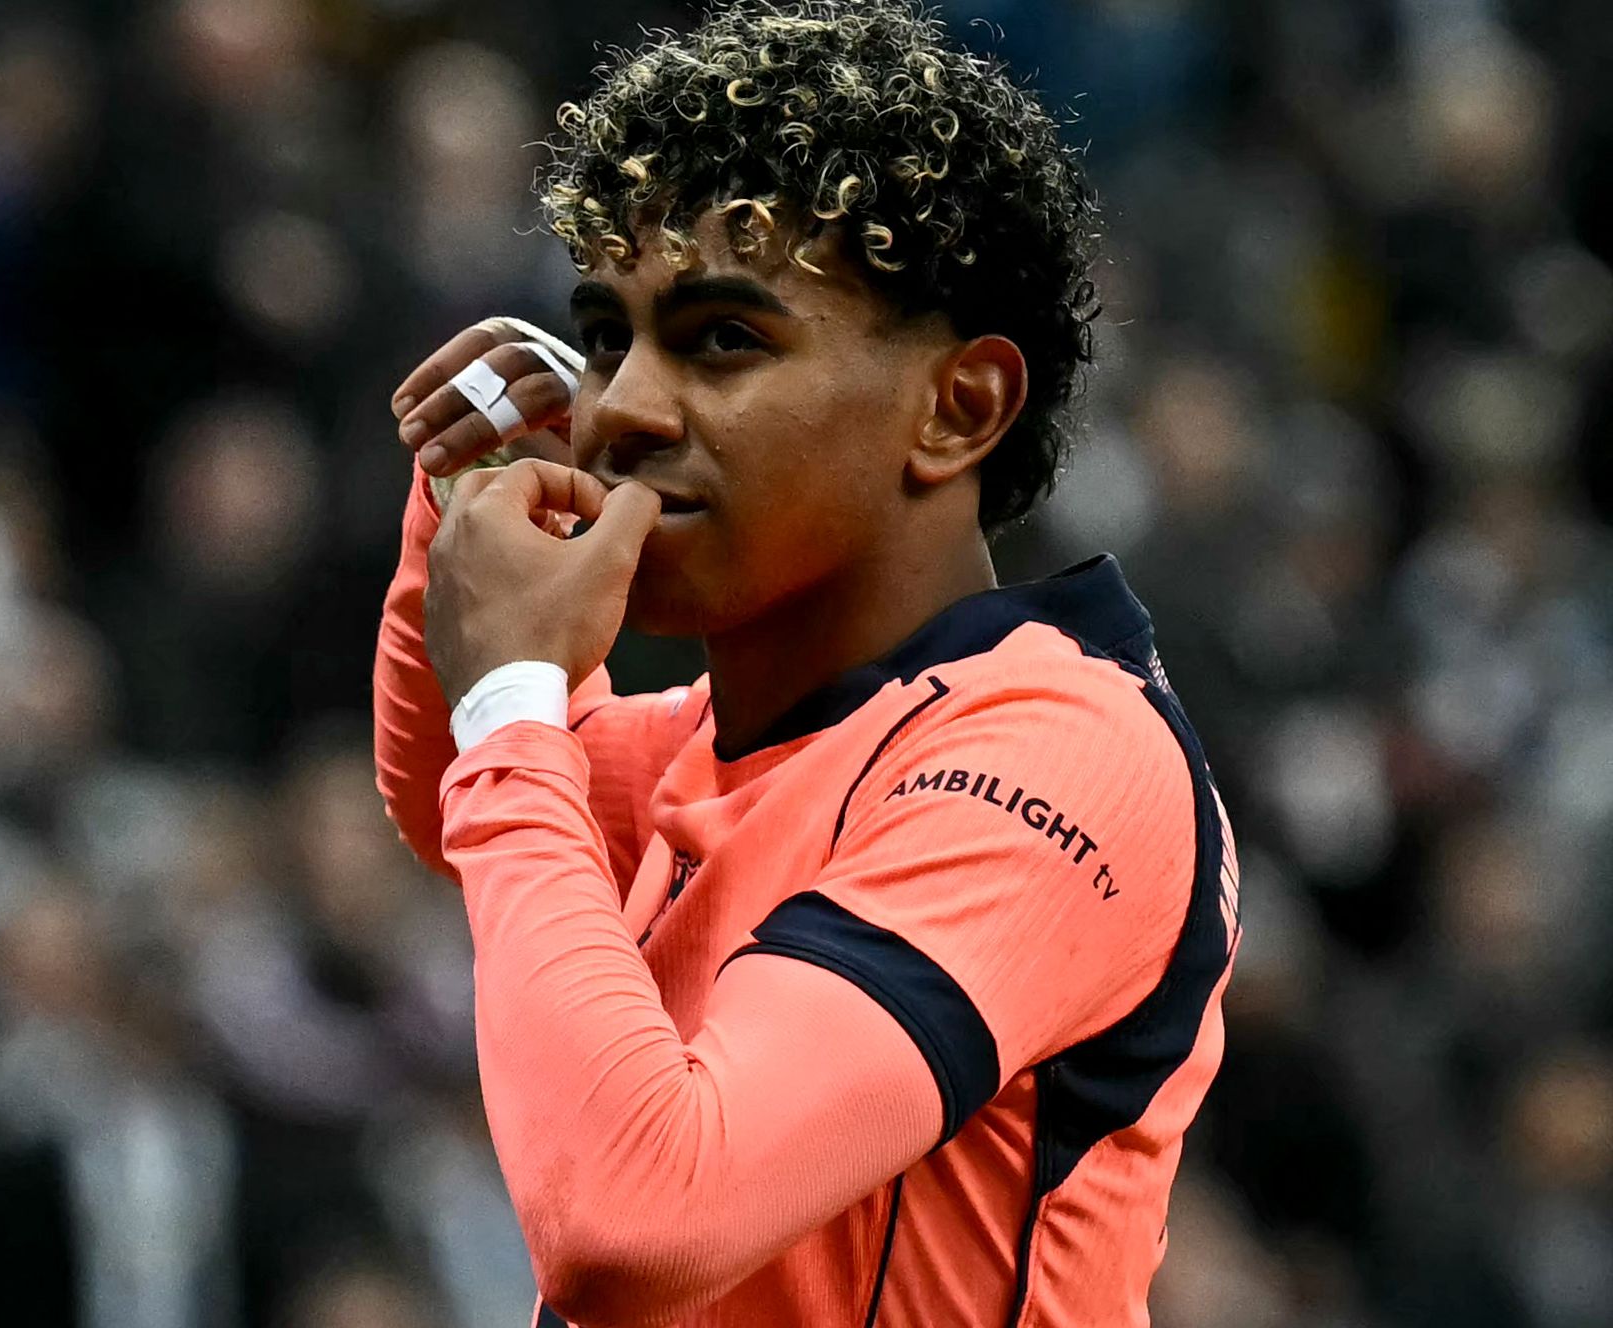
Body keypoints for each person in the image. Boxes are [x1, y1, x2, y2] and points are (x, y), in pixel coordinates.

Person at [369, 3, 1240, 1325]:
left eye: (722, 340)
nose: (622, 410)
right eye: (607, 338)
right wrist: (474, 502)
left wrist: (511, 695)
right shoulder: (729, 738)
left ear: (958, 408)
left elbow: (634, 1225)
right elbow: (459, 784)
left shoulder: (1061, 753)